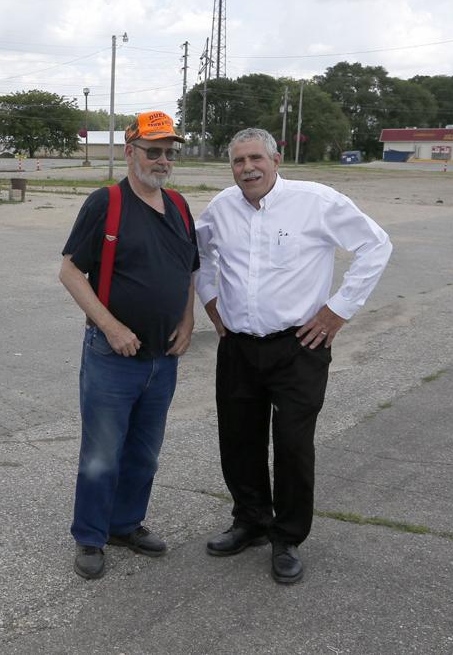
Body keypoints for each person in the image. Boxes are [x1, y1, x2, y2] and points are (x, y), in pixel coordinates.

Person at [195, 128, 391, 584]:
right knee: (239, 440)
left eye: (256, 158)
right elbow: (199, 256)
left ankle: (287, 536)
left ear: (276, 160)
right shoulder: (221, 208)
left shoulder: (316, 201)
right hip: (239, 348)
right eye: (239, 161)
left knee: (292, 444)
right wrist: (211, 305)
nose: (248, 168)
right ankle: (251, 521)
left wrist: (337, 311)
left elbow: (375, 245)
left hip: (299, 347)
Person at [59, 111, 199, 580]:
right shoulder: (107, 203)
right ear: (130, 152)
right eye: (152, 150)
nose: (162, 160)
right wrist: (111, 326)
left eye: (168, 152)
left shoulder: (179, 207)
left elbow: (188, 271)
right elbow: (70, 272)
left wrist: (188, 317)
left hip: (164, 358)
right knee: (102, 452)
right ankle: (91, 536)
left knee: (145, 452)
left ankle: (125, 524)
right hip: (111, 357)